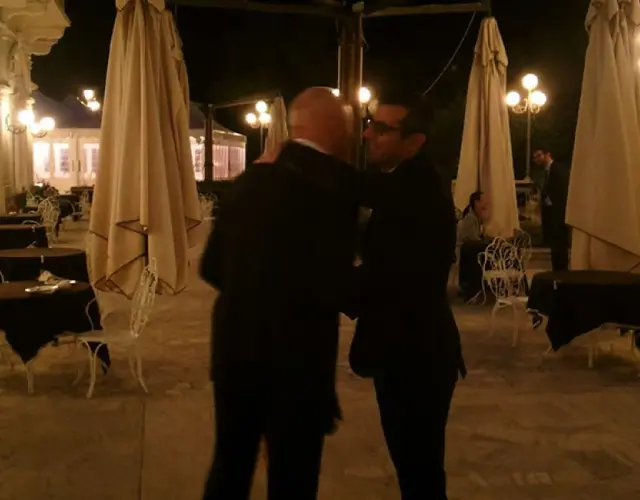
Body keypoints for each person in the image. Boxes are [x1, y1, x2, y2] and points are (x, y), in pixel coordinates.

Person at [199, 87, 359, 500]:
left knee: (230, 467)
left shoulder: (249, 181)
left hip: (235, 354)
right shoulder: (335, 187)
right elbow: (334, 284)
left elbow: (210, 267)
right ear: (333, 128)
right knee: (293, 478)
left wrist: (251, 292)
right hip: (297, 364)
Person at [348, 92, 466, 500]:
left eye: (382, 129)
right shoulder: (405, 183)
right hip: (407, 351)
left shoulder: (419, 185)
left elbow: (385, 280)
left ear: (414, 142)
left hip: (418, 356)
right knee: (415, 471)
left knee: (420, 473)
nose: (368, 134)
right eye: (370, 124)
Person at [533, 147, 570, 270]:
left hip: (558, 213)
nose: (536, 159)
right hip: (552, 214)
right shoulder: (546, 171)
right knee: (555, 247)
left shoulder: (558, 169)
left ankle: (561, 271)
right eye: (534, 157)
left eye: (539, 155)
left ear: (547, 154)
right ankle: (557, 270)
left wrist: (552, 203)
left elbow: (561, 190)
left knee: (560, 247)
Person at [457, 191, 492, 301]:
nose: (486, 204)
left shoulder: (477, 218)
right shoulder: (470, 218)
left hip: (472, 249)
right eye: (483, 201)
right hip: (466, 251)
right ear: (476, 203)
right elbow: (473, 239)